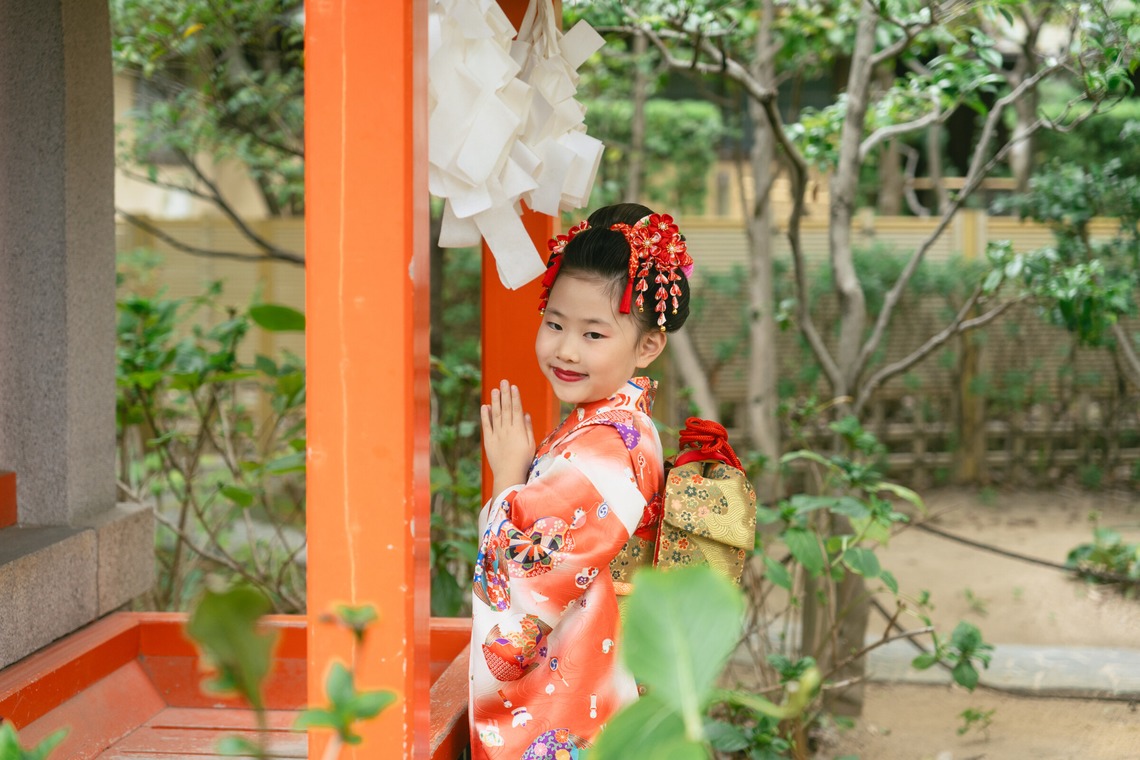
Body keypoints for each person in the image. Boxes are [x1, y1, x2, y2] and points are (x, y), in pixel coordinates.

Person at [469, 203, 692, 758]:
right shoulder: (610, 428)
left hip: (576, 703)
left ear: (648, 346)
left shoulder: (606, 447)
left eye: (594, 333)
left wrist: (508, 475)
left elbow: (529, 576)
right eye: (555, 324)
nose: (566, 349)